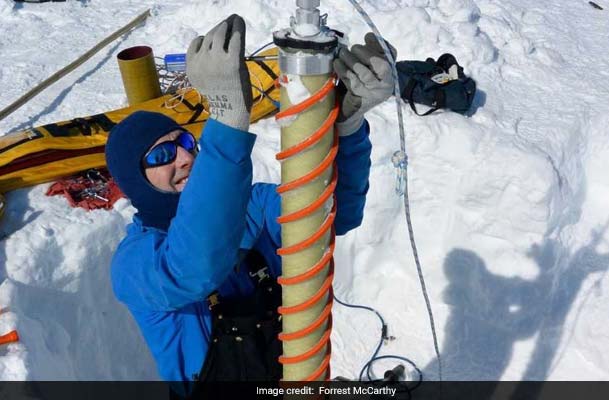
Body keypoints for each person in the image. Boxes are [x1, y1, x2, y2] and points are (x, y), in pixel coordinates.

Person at [105, 14, 395, 398]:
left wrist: (349, 126)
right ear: (133, 183)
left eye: (185, 143)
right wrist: (226, 122)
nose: (183, 158)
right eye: (161, 155)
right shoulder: (135, 262)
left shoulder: (253, 205)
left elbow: (332, 214)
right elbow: (195, 267)